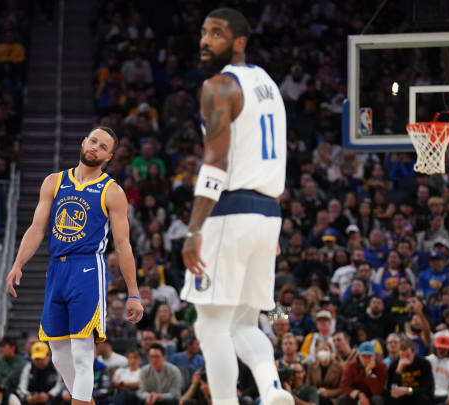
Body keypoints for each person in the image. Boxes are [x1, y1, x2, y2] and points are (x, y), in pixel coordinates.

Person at [179, 8, 291, 405]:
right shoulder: (270, 85)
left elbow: (216, 161)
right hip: (267, 214)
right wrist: (268, 228)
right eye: (203, 32)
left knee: (210, 327)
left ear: (239, 42)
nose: (205, 41)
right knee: (244, 322)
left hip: (229, 213)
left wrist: (194, 229)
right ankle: (273, 389)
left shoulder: (219, 86)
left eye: (216, 33)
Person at [6, 126, 144, 405]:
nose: (95, 147)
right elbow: (36, 228)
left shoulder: (112, 191)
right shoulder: (54, 182)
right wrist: (18, 263)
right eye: (93, 141)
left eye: (103, 147)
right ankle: (86, 401)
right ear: (83, 142)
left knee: (82, 351)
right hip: (56, 268)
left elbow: (123, 245)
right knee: (57, 351)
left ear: (109, 157)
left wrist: (133, 292)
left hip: (88, 268)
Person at [386, 338, 434, 405]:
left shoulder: (424, 363)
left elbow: (428, 388)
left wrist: (409, 390)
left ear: (414, 353)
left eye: (408, 356)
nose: (405, 359)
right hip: (402, 398)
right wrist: (398, 371)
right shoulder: (394, 365)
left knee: (423, 398)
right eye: (402, 356)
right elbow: (390, 389)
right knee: (392, 399)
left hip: (417, 396)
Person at [425, 336, 449, 405]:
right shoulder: (427, 360)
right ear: (435, 348)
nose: (441, 351)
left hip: (444, 397)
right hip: (427, 395)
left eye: (444, 349)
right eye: (439, 348)